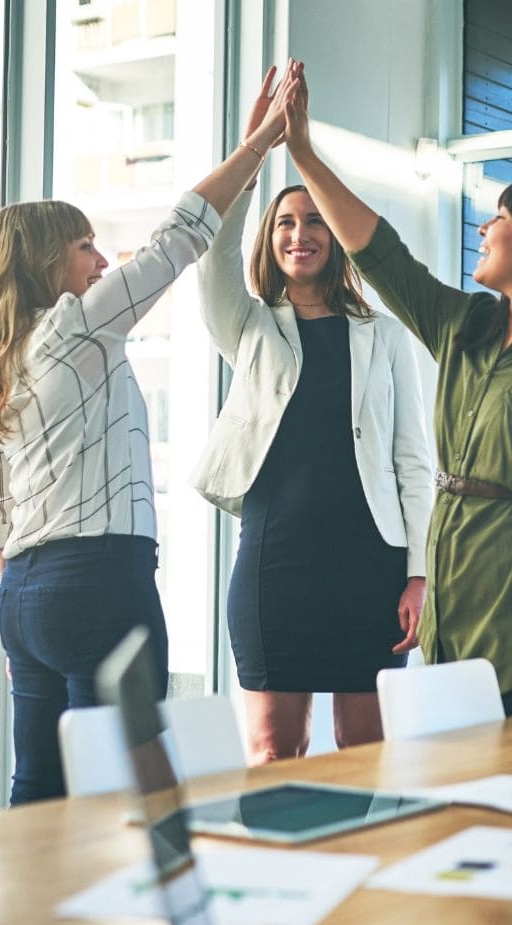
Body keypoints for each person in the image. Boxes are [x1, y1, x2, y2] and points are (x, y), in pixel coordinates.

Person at [277, 64, 512, 716]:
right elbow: (380, 253)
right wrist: (303, 152)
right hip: (461, 594)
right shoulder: (464, 328)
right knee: (461, 783)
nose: (483, 228)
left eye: (500, 217)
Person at [0, 71, 296, 804]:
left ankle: (34, 918)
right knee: (125, 794)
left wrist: (35, 592)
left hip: (24, 595)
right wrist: (257, 146)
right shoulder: (76, 323)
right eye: (85, 246)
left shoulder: (0, 356)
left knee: (40, 788)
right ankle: (133, 916)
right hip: (97, 582)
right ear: (47, 261)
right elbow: (177, 239)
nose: (100, 261)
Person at [192, 68, 434, 763]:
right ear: (270, 239)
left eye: (314, 222)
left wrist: (420, 572)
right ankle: (283, 871)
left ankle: (359, 871)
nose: (300, 234)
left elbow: (413, 461)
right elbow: (212, 261)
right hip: (276, 565)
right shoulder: (249, 328)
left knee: (365, 746)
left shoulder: (384, 335)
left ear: (336, 236)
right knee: (274, 747)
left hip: (371, 567)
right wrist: (253, 157)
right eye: (286, 224)